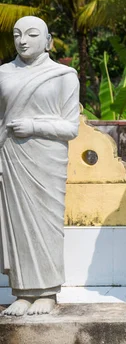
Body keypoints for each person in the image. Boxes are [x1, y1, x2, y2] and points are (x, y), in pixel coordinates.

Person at [0, 16, 79, 316]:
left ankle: (47, 292)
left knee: (46, 226)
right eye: (17, 34)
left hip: (47, 160)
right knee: (17, 226)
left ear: (47, 40)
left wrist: (33, 125)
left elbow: (71, 127)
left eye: (32, 34)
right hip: (12, 158)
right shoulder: (3, 73)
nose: (23, 40)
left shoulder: (63, 75)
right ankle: (21, 291)